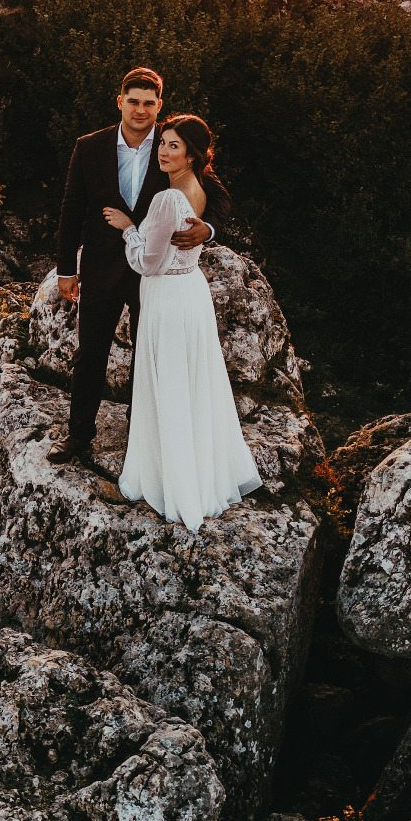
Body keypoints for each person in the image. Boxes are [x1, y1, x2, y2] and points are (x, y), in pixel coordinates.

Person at [48, 67, 230, 471]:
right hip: (100, 266)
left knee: (150, 357)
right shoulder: (89, 146)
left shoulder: (173, 144)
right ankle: (79, 434)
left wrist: (208, 228)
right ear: (120, 101)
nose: (141, 109)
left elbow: (216, 194)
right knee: (90, 353)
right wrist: (65, 268)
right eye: (134, 100)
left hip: (156, 274)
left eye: (150, 102)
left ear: (159, 106)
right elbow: (71, 208)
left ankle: (141, 441)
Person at [100, 114, 261, 531]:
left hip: (167, 297)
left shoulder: (168, 198)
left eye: (174, 145)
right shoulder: (195, 187)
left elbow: (148, 263)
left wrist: (128, 230)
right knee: (193, 382)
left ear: (193, 153)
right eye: (163, 144)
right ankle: (200, 474)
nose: (164, 151)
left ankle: (172, 482)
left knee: (168, 383)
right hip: (191, 291)